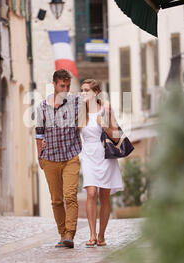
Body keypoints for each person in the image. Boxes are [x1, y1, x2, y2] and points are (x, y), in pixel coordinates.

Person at [35, 69, 81, 249]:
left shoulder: (76, 103)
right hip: (50, 158)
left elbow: (92, 102)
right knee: (56, 200)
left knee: (70, 195)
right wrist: (40, 155)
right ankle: (62, 233)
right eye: (62, 86)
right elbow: (39, 134)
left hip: (71, 156)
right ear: (54, 84)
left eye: (68, 86)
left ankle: (70, 233)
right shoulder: (42, 107)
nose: (66, 89)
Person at [79, 79, 123, 247]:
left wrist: (104, 126)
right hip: (88, 155)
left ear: (96, 92)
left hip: (104, 154)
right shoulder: (80, 112)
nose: (83, 93)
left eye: (87, 90)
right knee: (91, 193)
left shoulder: (106, 110)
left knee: (104, 196)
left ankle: (101, 235)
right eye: (82, 90)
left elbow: (117, 136)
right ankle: (91, 234)